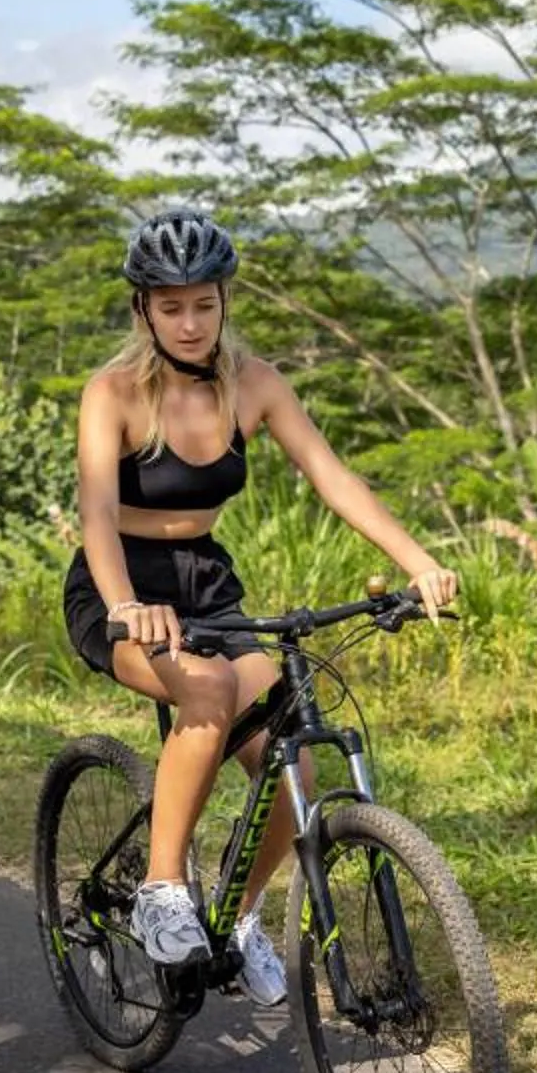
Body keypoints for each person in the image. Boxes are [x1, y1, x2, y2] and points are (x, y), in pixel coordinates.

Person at [65, 209, 460, 1000]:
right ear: (143, 308)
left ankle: (239, 923)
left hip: (209, 585)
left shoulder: (256, 385)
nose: (188, 321)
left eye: (203, 304)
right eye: (170, 306)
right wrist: (124, 607)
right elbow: (97, 514)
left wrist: (416, 561)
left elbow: (334, 477)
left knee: (295, 759)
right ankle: (161, 889)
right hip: (121, 586)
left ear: (223, 303)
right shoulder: (111, 394)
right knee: (205, 691)